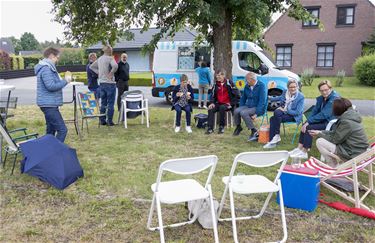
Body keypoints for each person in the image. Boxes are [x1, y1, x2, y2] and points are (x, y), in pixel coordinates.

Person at [309, 98, 369, 167]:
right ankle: (334, 166)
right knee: (321, 140)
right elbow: (336, 133)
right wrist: (320, 132)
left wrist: (320, 134)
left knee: (320, 142)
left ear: (338, 109)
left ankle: (333, 166)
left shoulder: (346, 122)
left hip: (352, 153)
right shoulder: (351, 116)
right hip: (358, 150)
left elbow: (335, 140)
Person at [290, 80, 340, 158]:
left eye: (326, 90)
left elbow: (324, 114)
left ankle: (305, 151)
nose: (324, 92)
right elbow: (315, 111)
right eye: (322, 90)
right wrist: (307, 121)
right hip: (324, 120)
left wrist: (309, 123)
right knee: (305, 125)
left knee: (309, 127)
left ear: (330, 88)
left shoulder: (334, 98)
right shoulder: (322, 98)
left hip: (331, 123)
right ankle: (299, 148)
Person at [35, 47, 71, 142]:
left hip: (48, 104)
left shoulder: (47, 67)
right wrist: (65, 81)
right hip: (48, 104)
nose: (57, 60)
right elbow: (50, 86)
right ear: (51, 56)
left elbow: (52, 84)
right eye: (57, 58)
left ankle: (47, 151)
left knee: (51, 130)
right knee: (62, 130)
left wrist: (63, 81)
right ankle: (56, 152)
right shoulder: (46, 69)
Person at [263, 79, 304, 149]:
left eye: (294, 87)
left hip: (294, 116)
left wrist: (285, 110)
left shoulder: (300, 97)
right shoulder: (285, 92)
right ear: (288, 87)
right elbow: (280, 98)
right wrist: (269, 98)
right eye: (291, 87)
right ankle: (275, 138)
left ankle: (274, 139)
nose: (293, 89)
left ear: (297, 87)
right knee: (275, 115)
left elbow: (297, 112)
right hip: (283, 113)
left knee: (274, 117)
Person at [232, 72, 267, 142]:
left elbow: (262, 102)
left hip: (258, 107)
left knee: (243, 113)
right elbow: (243, 98)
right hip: (248, 106)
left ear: (252, 80)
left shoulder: (262, 86)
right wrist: (241, 107)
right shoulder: (247, 86)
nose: (245, 81)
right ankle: (238, 127)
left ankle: (253, 130)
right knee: (236, 111)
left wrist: (257, 113)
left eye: (246, 80)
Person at [90, 45, 118, 126]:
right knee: (111, 103)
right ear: (109, 51)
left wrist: (99, 73)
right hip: (110, 83)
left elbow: (92, 67)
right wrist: (111, 73)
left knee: (103, 103)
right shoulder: (110, 58)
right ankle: (109, 121)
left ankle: (102, 120)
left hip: (101, 83)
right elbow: (115, 66)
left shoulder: (100, 59)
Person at [205, 69, 237, 135]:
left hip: (228, 104)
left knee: (222, 108)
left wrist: (231, 103)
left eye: (219, 75)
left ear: (224, 76)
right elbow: (212, 96)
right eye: (217, 75)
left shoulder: (229, 83)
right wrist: (212, 103)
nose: (218, 77)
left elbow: (237, 94)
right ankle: (210, 128)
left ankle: (221, 127)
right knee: (210, 109)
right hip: (218, 103)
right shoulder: (215, 84)